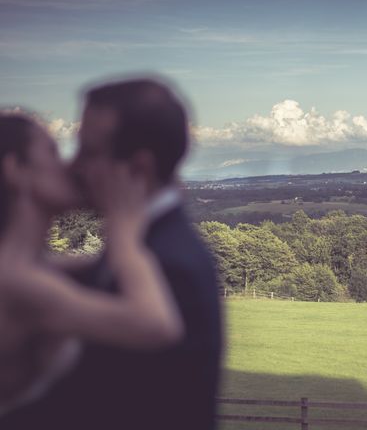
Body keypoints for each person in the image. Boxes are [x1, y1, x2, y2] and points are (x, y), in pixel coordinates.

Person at [0, 78, 224, 430]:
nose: (73, 167)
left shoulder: (169, 264)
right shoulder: (141, 254)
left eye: (87, 152)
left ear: (138, 168)